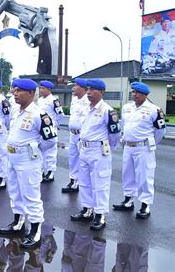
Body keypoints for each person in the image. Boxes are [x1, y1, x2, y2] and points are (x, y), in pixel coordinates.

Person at [0, 79, 57, 248]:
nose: (15, 93)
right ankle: (18, 223)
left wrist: (34, 150)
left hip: (28, 159)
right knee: (15, 193)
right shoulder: (16, 112)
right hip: (13, 157)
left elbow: (50, 140)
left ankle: (35, 231)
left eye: (19, 91)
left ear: (31, 93)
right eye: (14, 90)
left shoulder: (39, 115)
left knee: (31, 195)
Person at [70, 79, 121, 231]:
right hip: (84, 149)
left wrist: (106, 147)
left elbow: (115, 134)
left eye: (93, 90)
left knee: (100, 184)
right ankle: (87, 209)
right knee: (84, 181)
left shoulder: (107, 111)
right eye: (88, 89)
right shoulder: (86, 108)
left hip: (99, 151)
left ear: (102, 92)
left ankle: (100, 215)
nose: (89, 93)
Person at [113, 82, 166, 219]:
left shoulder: (154, 109)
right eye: (134, 92)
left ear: (145, 95)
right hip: (128, 147)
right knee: (127, 175)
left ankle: (145, 205)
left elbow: (160, 131)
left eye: (138, 93)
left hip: (144, 147)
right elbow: (123, 125)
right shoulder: (126, 108)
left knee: (144, 176)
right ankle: (128, 201)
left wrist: (150, 142)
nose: (134, 95)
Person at [62, 78, 90, 193]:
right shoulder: (75, 100)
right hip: (73, 134)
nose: (73, 88)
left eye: (76, 86)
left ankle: (81, 183)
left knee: (83, 160)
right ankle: (73, 180)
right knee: (73, 158)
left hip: (82, 135)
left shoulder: (88, 101)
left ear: (83, 88)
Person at [37, 80, 64, 182]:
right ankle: (43, 170)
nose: (41, 90)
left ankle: (50, 172)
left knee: (51, 152)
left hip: (51, 129)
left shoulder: (54, 100)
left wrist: (55, 124)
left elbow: (60, 114)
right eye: (40, 88)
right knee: (41, 151)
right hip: (41, 129)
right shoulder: (39, 100)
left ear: (49, 89)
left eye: (43, 88)